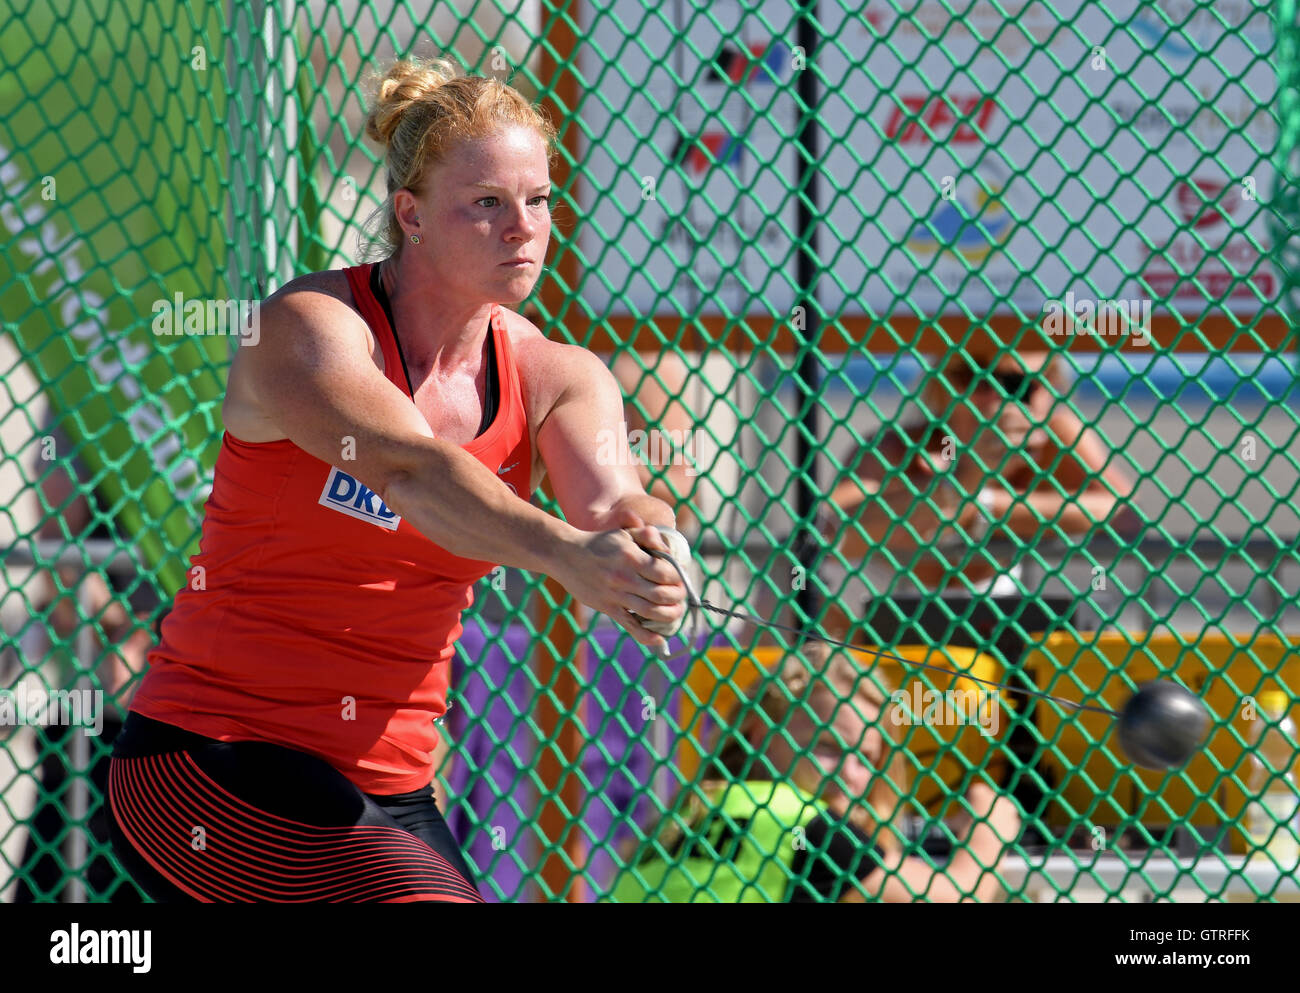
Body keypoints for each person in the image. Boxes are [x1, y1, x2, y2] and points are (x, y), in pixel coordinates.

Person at [105, 57, 690, 903]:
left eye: (540, 199)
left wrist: (647, 552)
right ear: (409, 214)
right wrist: (566, 553)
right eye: (487, 202)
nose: (523, 227)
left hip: (391, 793)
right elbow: (414, 471)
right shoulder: (308, 329)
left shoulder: (562, 375)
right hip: (206, 759)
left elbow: (614, 500)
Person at [606, 640, 1021, 902]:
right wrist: (991, 824)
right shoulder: (807, 826)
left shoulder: (690, 814)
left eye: (866, 759)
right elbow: (957, 896)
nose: (849, 774)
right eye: (826, 745)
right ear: (759, 730)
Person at [826, 348, 1136, 601]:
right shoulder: (898, 448)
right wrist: (961, 482)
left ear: (1049, 389)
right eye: (971, 377)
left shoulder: (1057, 443)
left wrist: (983, 504)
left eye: (1014, 386)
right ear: (941, 386)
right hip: (889, 618)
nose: (992, 400)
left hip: (1009, 626)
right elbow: (833, 530)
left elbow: (1121, 513)